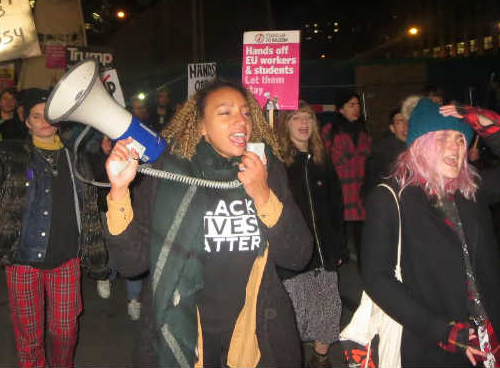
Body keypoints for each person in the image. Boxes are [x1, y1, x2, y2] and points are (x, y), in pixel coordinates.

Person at [104, 79, 312, 367]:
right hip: (185, 331)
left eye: (246, 112)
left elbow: (298, 255)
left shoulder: (265, 167)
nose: (241, 120)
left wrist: (262, 192)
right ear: (201, 126)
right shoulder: (168, 173)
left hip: (254, 333)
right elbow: (131, 263)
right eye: (225, 113)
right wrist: (119, 190)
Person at [362, 98, 500, 367]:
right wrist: (442, 331)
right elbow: (377, 278)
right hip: (439, 342)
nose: (455, 146)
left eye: (460, 139)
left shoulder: (470, 188)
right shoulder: (390, 197)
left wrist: (488, 125)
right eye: (443, 137)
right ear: (420, 143)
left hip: (494, 332)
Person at [0, 88, 108, 368]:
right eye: (35, 116)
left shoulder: (75, 157)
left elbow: (96, 197)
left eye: (49, 115)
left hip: (66, 259)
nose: (43, 122)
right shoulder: (12, 154)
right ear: (25, 120)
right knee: (29, 337)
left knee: (65, 331)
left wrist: (105, 158)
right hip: (22, 259)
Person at [275, 101, 344, 368]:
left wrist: (337, 244)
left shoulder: (321, 159)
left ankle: (321, 358)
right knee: (293, 315)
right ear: (286, 124)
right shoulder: (278, 161)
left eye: (307, 118)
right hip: (293, 253)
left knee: (328, 312)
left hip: (324, 250)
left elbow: (336, 204)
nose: (303, 123)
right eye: (296, 118)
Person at [91, 136, 144, 321]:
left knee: (133, 253)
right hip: (104, 210)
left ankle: (133, 299)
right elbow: (93, 179)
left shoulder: (138, 155)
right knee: (108, 250)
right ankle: (105, 276)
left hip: (131, 211)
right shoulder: (95, 156)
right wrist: (103, 155)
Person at [321, 91, 371, 266]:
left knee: (363, 242)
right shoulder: (330, 131)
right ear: (341, 109)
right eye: (351, 105)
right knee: (338, 238)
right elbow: (327, 161)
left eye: (358, 105)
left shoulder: (363, 131)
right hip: (340, 192)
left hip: (360, 192)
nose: (356, 108)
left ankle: (366, 272)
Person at [362, 103, 411, 197]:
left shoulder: (418, 149)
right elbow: (371, 187)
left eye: (408, 121)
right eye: (400, 122)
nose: (406, 127)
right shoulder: (380, 153)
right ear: (392, 128)